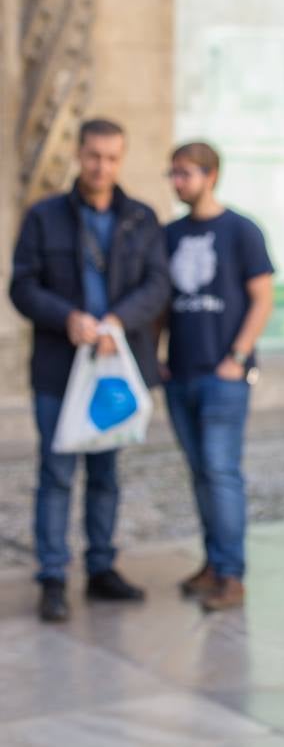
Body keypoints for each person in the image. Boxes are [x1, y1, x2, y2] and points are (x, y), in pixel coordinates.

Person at [9, 118, 171, 623]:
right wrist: (69, 319)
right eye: (94, 156)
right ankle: (53, 575)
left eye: (112, 158)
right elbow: (22, 285)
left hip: (116, 368)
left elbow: (158, 285)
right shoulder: (44, 217)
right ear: (79, 155)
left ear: (122, 160)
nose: (102, 166)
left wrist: (117, 321)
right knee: (56, 474)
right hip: (60, 367)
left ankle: (102, 567)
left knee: (105, 473)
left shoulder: (142, 219)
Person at [163, 142, 275, 611]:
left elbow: (263, 297)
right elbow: (160, 304)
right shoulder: (168, 235)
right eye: (173, 173)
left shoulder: (241, 230)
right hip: (180, 374)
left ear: (211, 176)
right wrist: (158, 358)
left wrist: (237, 356)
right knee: (200, 475)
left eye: (185, 173)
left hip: (224, 376)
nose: (177, 182)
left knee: (221, 472)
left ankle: (231, 574)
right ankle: (212, 563)